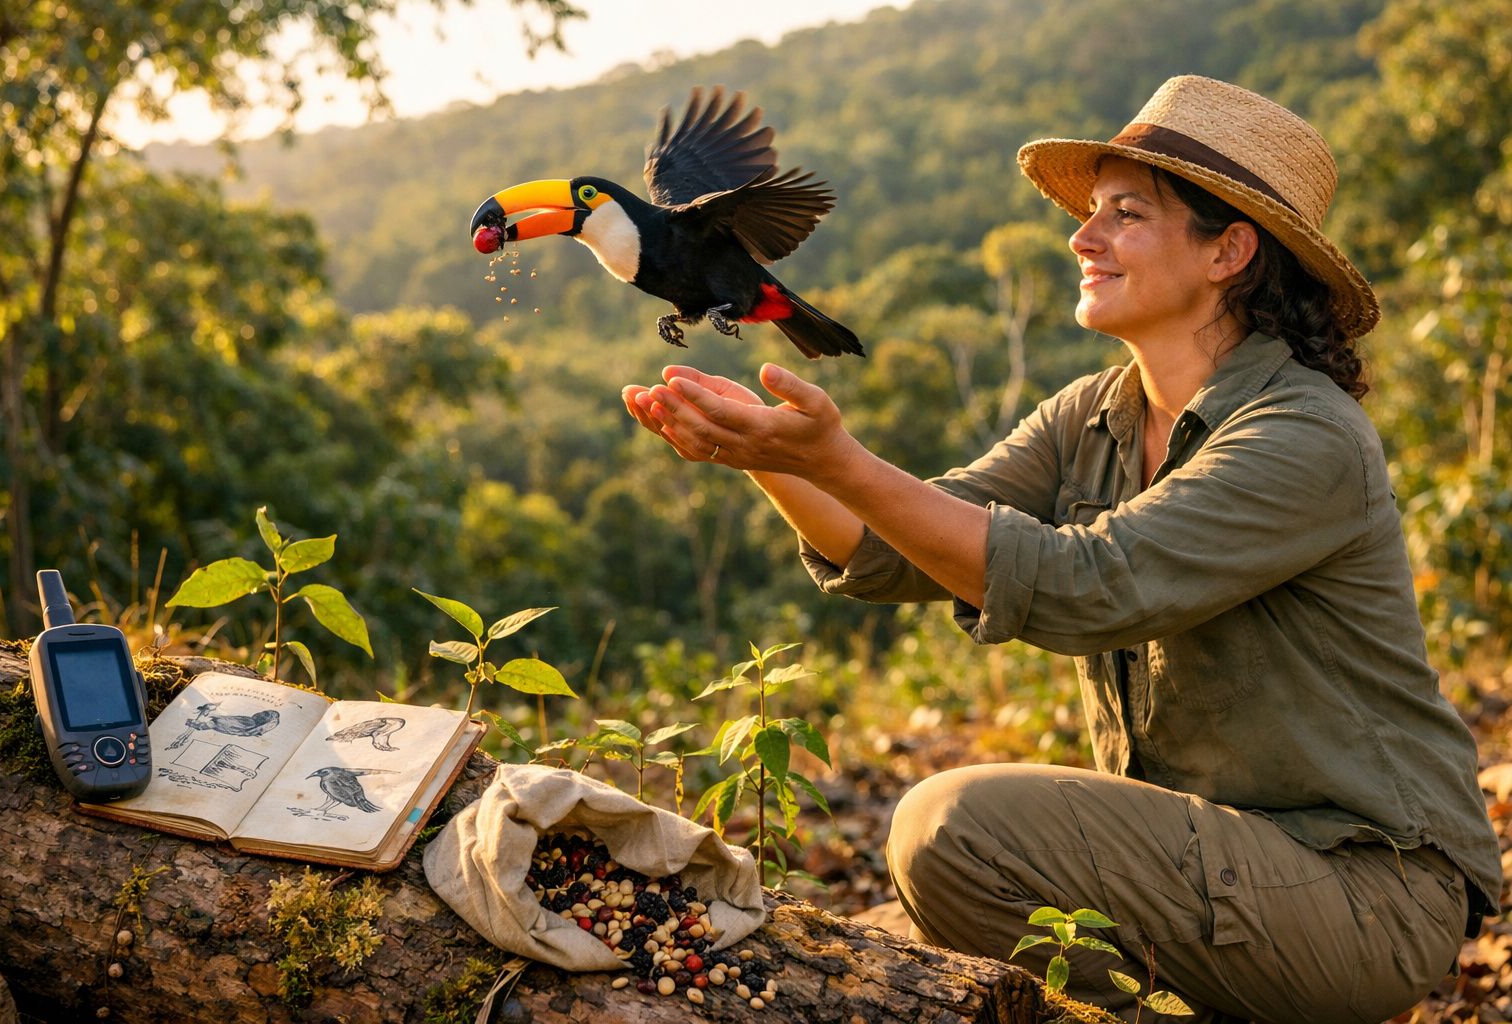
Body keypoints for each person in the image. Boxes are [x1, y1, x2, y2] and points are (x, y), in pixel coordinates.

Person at [620, 75, 1502, 1023]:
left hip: (1366, 892)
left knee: (950, 828)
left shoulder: (1304, 436)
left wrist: (840, 459)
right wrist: (769, 456)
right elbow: (907, 543)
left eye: (1126, 214)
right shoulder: (1094, 412)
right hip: (1209, 866)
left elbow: (1091, 587)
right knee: (929, 885)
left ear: (1229, 251)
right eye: (1090, 213)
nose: (1084, 238)